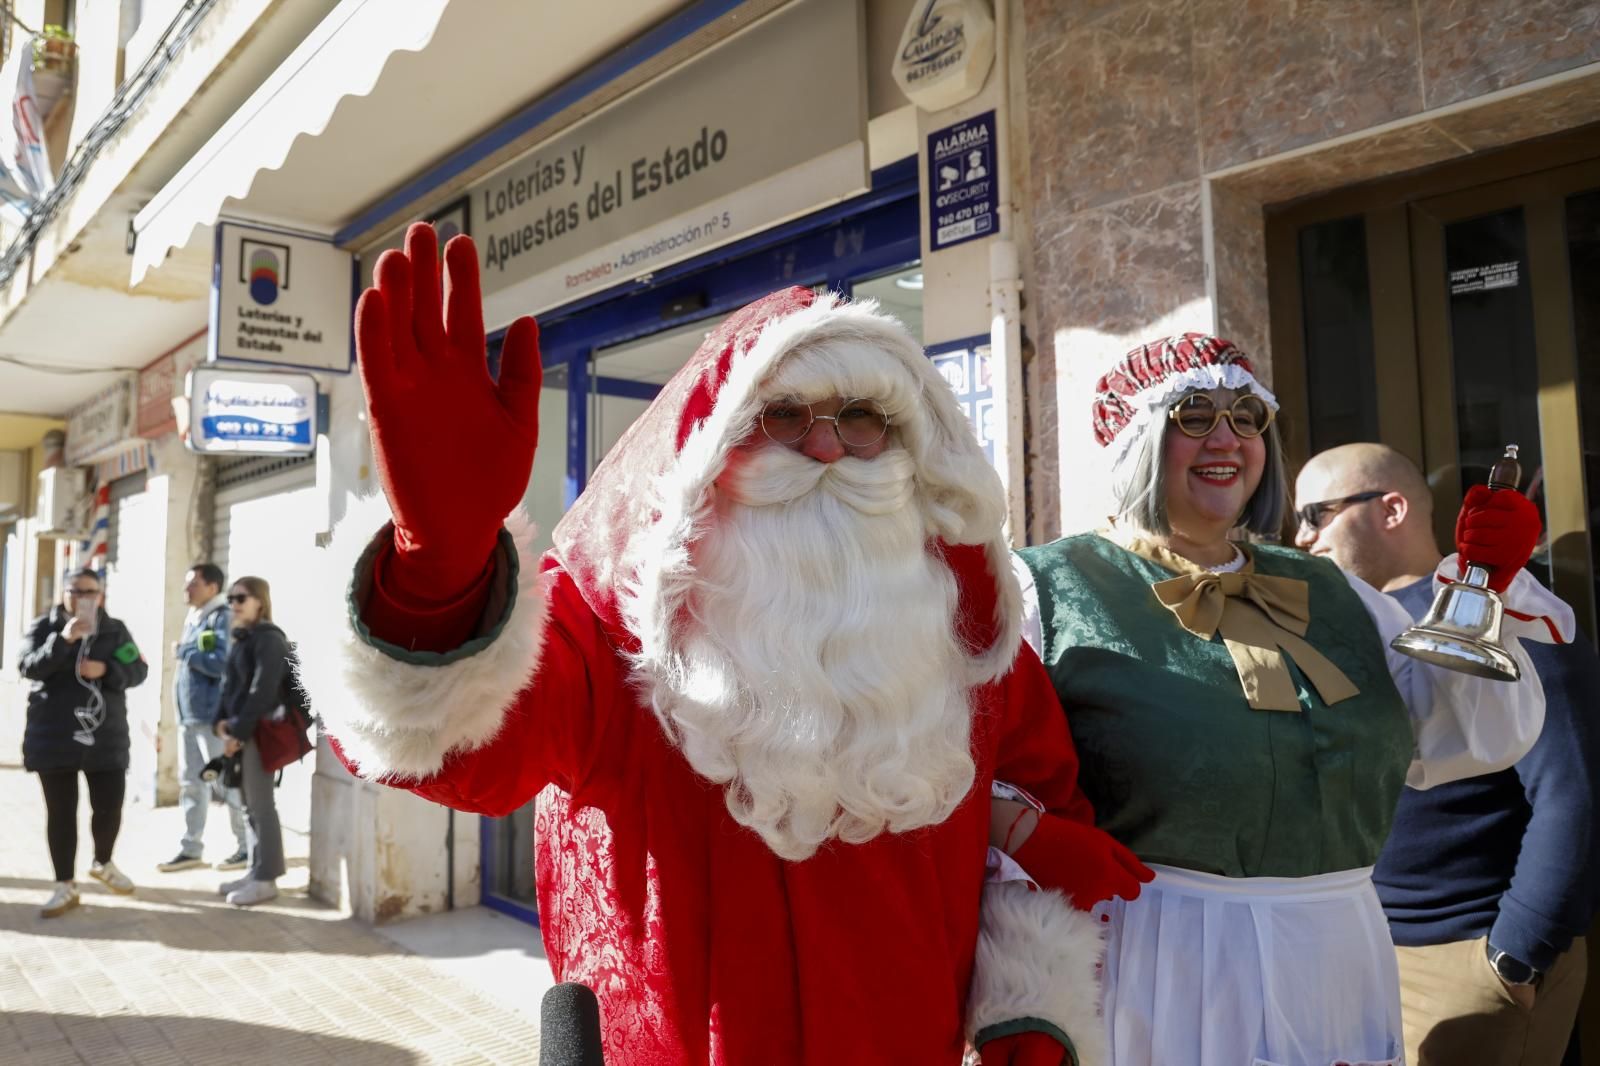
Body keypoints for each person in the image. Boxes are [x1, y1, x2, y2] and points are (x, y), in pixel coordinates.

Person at [297, 224, 1147, 1064]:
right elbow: (457, 752)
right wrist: (437, 574)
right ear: (710, 452)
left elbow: (1040, 812)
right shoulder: (611, 640)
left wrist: (1030, 1007)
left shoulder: (967, 648)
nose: (824, 447)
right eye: (783, 417)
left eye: (862, 421)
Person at [987, 334, 1570, 1066]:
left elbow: (1457, 739)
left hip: (1337, 951)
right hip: (1159, 956)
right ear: (1137, 437)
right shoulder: (1041, 588)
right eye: (1194, 415)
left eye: (1246, 417)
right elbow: (975, 775)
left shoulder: (1332, 588)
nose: (1227, 438)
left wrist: (1482, 586)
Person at [1296, 442, 1600, 1066]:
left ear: (1392, 508)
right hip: (1364, 957)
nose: (1301, 538)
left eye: (1316, 513)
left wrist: (1515, 954)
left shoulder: (1507, 608)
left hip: (1465, 956)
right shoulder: (1348, 626)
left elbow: (1573, 792)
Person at [19, 568, 149, 917]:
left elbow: (138, 670)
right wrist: (63, 641)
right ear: (64, 593)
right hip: (54, 736)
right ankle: (64, 885)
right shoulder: (43, 627)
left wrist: (107, 671)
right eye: (76, 591)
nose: (83, 598)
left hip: (105, 737)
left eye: (90, 592)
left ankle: (103, 861)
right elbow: (27, 667)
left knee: (109, 808)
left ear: (101, 595)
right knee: (61, 814)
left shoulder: (114, 630)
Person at [157, 562, 249, 873]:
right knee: (192, 784)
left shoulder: (221, 617)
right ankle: (190, 848)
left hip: (212, 717)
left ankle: (246, 846)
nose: (186, 590)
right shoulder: (196, 616)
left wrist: (185, 652)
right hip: (191, 716)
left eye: (192, 584)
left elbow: (221, 662)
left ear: (212, 587)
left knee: (227, 780)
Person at [214, 576, 292, 907]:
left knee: (262, 807)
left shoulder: (270, 639)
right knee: (248, 807)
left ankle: (267, 879)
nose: (234, 604)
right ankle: (255, 870)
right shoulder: (243, 638)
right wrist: (218, 722)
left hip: (259, 734)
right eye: (230, 598)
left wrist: (238, 734)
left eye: (241, 597)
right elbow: (230, 687)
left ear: (260, 601)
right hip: (241, 732)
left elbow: (262, 691)